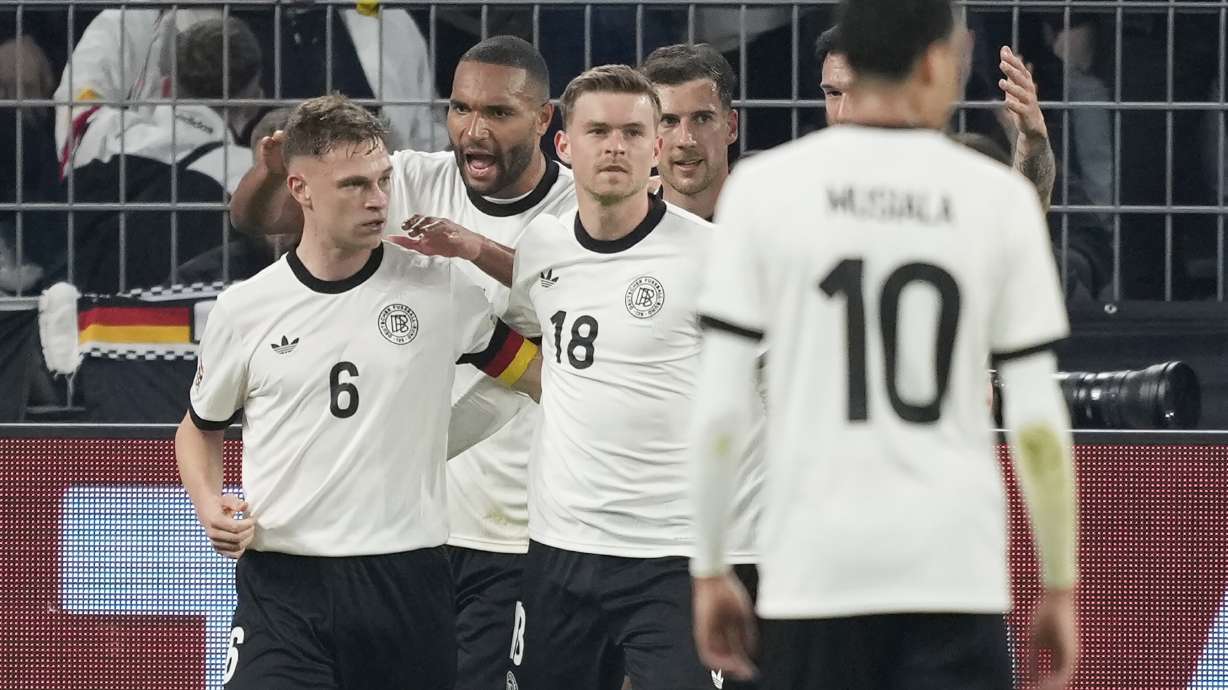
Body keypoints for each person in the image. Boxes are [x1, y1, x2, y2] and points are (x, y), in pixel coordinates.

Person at [689, 2, 1079, 690]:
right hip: (951, 565)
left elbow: (719, 407)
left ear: (852, 65)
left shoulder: (765, 190)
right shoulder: (994, 198)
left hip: (813, 567)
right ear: (940, 60)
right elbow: (1039, 422)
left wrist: (712, 564)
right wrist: (1059, 580)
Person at [229, 35, 576, 690]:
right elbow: (257, 218)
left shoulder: (576, 210)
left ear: (543, 118)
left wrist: (477, 249)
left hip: (514, 532)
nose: (473, 129)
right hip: (399, 527)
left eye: (498, 114)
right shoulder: (408, 178)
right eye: (461, 108)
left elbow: (581, 291)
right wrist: (274, 169)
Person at [424, 64, 756, 690]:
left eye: (633, 133)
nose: (615, 147)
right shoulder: (543, 249)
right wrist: (430, 446)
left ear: (655, 147)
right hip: (556, 552)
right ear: (564, 145)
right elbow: (528, 358)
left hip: (669, 555)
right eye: (598, 131)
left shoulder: (712, 257)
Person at [62, 16, 262, 294]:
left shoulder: (100, 140)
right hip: (194, 326)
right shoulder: (253, 179)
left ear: (167, 85)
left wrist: (152, 12)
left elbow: (86, 76)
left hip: (92, 325)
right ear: (252, 103)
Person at [815, 23, 1057, 212]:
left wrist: (1031, 141)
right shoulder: (803, 182)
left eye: (860, 91)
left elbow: (1021, 218)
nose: (842, 113)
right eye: (833, 93)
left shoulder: (957, 172)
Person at [639, 43, 739, 222]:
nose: (686, 140)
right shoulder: (622, 226)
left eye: (702, 119)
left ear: (731, 127)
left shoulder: (772, 221)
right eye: (669, 121)